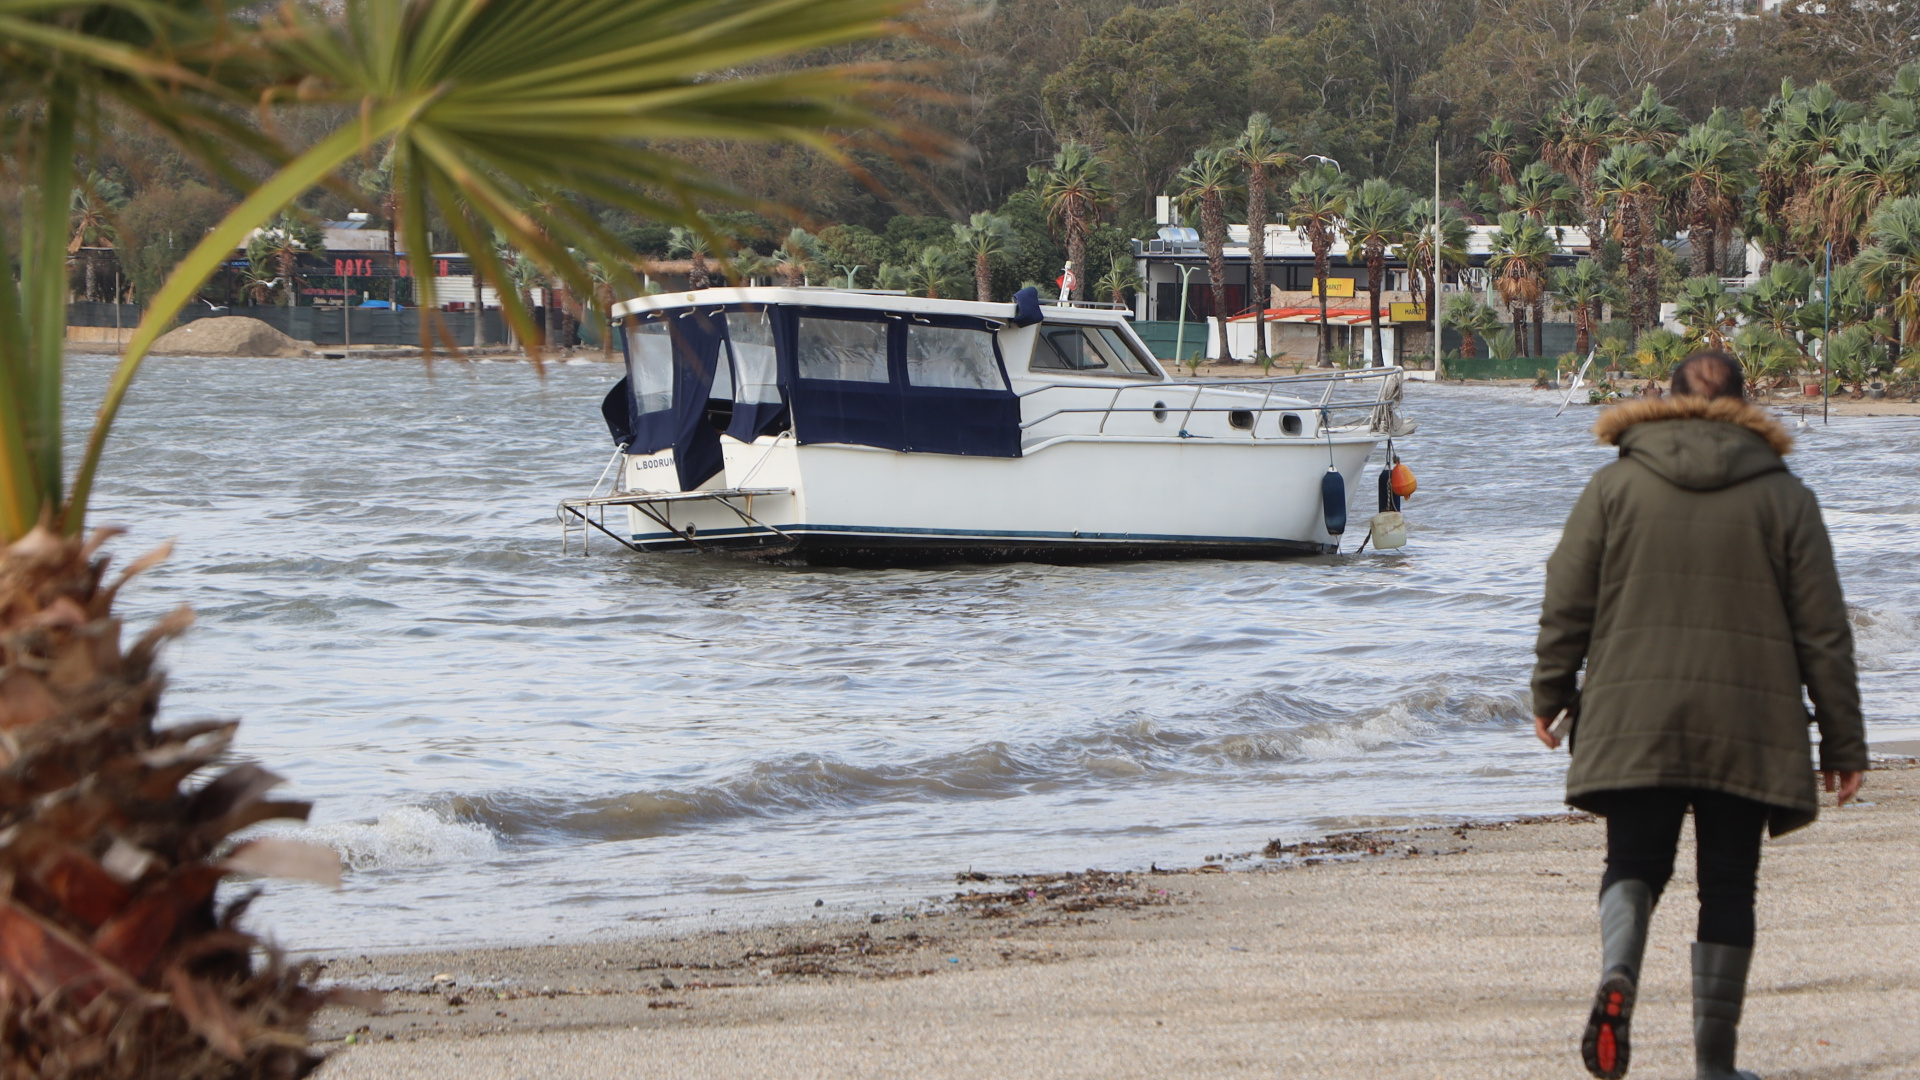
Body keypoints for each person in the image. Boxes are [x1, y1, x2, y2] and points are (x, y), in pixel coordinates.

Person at [1531, 350, 1866, 1080]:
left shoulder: (1615, 484)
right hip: (1748, 722)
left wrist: (1550, 692)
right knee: (1728, 883)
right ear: (1747, 407)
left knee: (1634, 863)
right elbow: (1824, 630)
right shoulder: (1785, 497)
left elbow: (1567, 597)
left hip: (1634, 712)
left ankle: (1619, 972)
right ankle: (1715, 1066)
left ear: (1665, 398)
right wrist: (1843, 739)